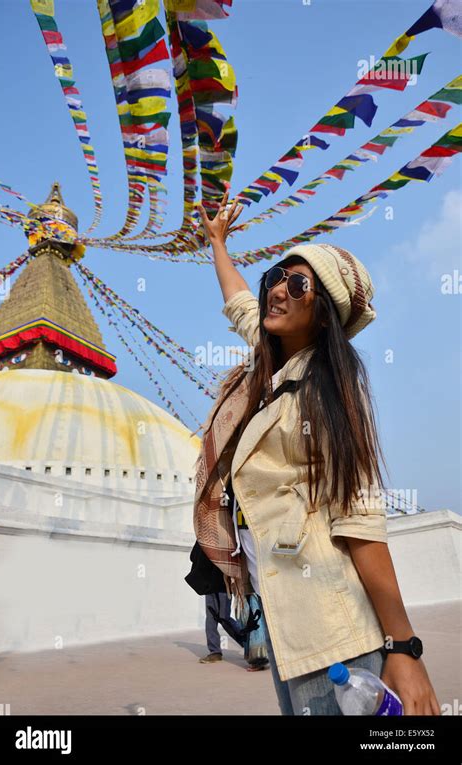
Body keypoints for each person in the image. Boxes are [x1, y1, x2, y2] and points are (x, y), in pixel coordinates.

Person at [192, 190, 441, 716]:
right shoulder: (272, 375)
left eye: (297, 283)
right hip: (289, 628)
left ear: (324, 313)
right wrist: (217, 243)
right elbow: (240, 303)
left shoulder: (325, 392)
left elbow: (359, 523)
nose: (278, 289)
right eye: (275, 278)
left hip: (334, 638)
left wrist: (403, 649)